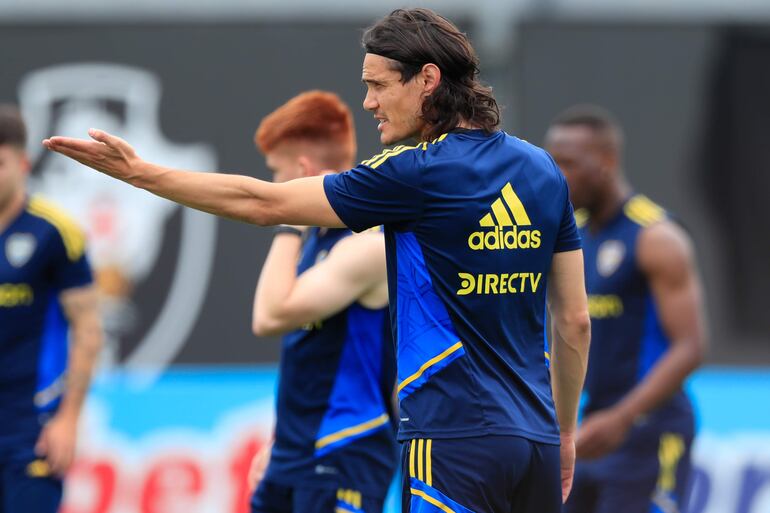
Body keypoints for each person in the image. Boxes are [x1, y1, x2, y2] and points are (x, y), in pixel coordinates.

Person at [43, 8, 591, 513]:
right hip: (537, 442)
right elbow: (574, 322)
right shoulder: (542, 169)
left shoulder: (416, 172)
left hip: (452, 439)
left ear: (427, 80)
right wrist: (564, 432)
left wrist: (141, 174)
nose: (370, 103)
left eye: (378, 86)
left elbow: (264, 202)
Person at [544, 105, 706, 513]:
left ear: (606, 161)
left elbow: (690, 346)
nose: (557, 175)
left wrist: (623, 417)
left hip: (649, 432)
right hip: (588, 434)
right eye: (552, 162)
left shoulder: (656, 237)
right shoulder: (572, 236)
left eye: (569, 163)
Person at [245, 91, 397, 513]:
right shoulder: (317, 239)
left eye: (277, 175)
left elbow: (269, 316)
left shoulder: (366, 244)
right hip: (293, 455)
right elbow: (308, 356)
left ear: (302, 172)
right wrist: (280, 442)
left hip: (344, 451)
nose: (273, 187)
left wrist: (286, 221)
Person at [0, 104, 102, 512]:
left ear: (23, 163)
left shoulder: (56, 232)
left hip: (33, 423)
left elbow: (89, 330)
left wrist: (68, 418)